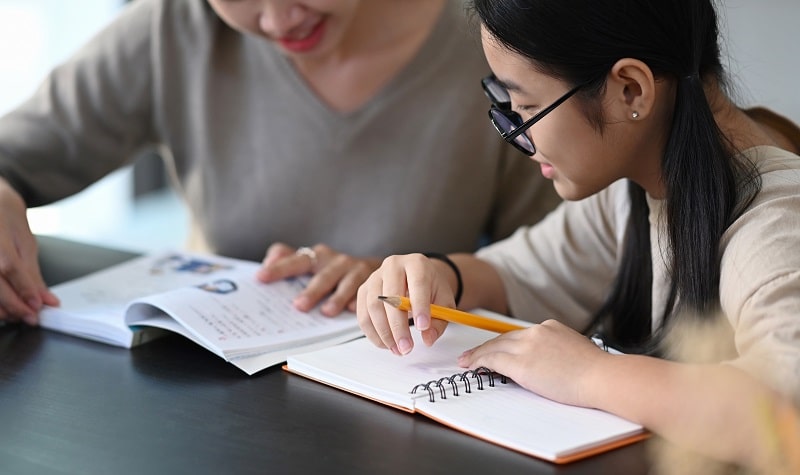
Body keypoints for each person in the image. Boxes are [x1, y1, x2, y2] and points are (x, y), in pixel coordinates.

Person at [356, 0, 800, 470]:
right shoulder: (638, 181)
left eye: (525, 106)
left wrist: (592, 375)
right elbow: (520, 273)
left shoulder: (774, 222)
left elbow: (785, 411)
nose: (516, 134)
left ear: (630, 90)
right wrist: (434, 276)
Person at [0, 0, 560, 324]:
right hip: (215, 393)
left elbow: (561, 268)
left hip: (407, 402)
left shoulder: (495, 41)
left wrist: (417, 279)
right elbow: (17, 151)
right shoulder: (176, 27)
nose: (278, 20)